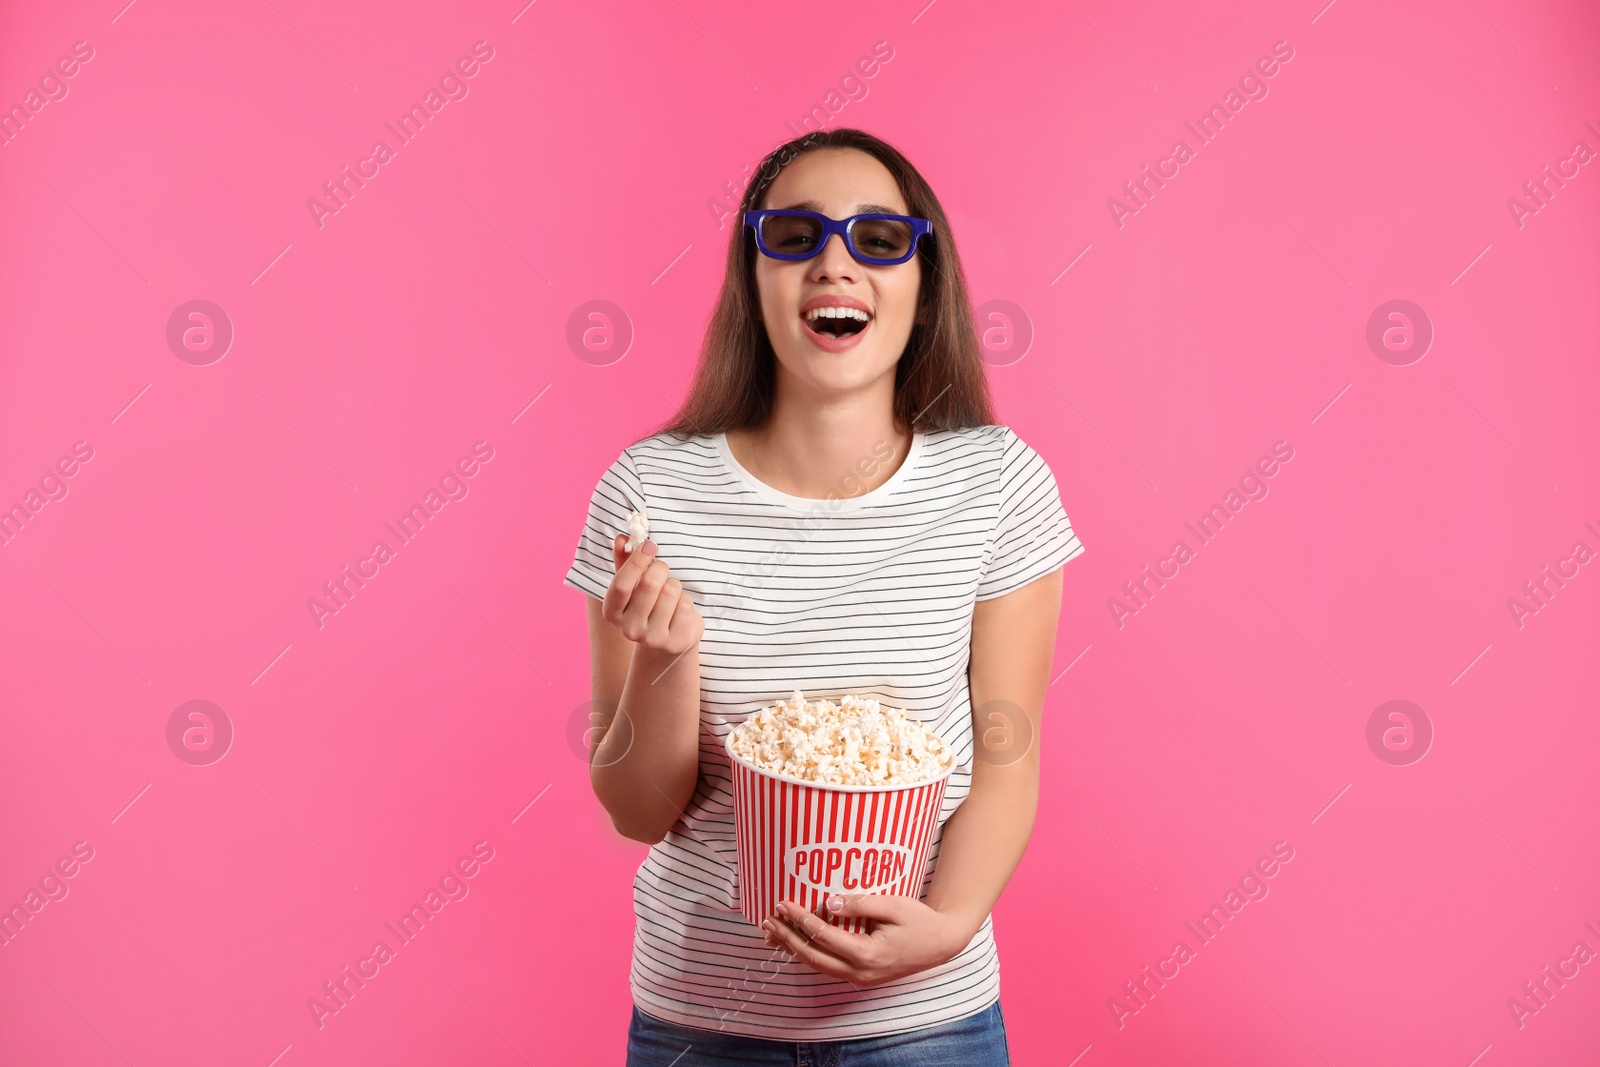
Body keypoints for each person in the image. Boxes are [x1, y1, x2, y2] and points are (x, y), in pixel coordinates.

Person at [562, 127, 1087, 1066]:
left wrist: (949, 921)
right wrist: (665, 659)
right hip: (703, 1023)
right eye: (794, 236)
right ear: (751, 273)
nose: (834, 264)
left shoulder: (999, 483)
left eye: (879, 239)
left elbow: (1008, 757)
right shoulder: (648, 492)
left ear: (924, 285)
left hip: (928, 1024)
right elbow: (639, 810)